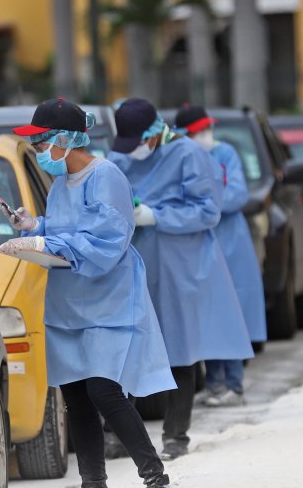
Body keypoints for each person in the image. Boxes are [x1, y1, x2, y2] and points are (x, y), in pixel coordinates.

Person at [0, 98, 178, 488]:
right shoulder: (63, 183)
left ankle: (159, 485)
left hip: (108, 303)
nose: (39, 151)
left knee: (105, 392)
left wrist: (47, 245)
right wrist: (35, 229)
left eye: (41, 142)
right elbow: (68, 228)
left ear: (65, 139)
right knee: (76, 400)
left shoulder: (106, 176)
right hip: (68, 306)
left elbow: (106, 241)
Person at [108, 98, 254, 460]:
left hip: (181, 263)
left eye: (137, 143)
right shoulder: (123, 156)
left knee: (180, 348)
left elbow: (208, 210)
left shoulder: (188, 154)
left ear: (155, 133)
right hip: (137, 262)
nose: (133, 152)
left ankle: (176, 435)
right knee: (131, 346)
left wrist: (156, 216)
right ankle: (119, 433)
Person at [173, 104, 267, 407]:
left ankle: (234, 384)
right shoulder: (179, 158)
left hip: (231, 241)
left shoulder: (224, 153)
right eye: (199, 131)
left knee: (232, 313)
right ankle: (214, 383)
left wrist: (205, 207)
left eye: (206, 128)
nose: (205, 135)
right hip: (199, 244)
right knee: (206, 314)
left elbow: (237, 194)